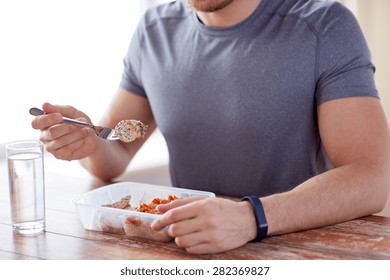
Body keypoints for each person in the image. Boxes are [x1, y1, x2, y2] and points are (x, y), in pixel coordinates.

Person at [31, 0, 390, 254]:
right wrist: (88, 141)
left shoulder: (325, 26)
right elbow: (115, 152)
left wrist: (251, 218)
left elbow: (371, 177)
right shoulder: (154, 31)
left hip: (294, 251)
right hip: (184, 250)